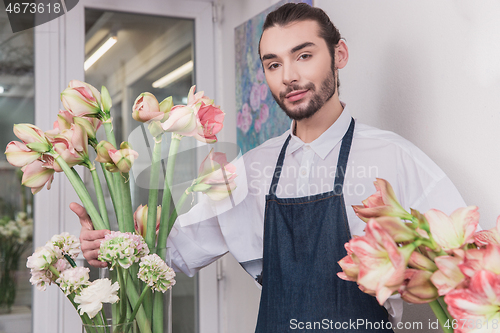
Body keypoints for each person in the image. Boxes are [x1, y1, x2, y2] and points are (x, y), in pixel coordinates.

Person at [75, 3, 466, 332]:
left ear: (339, 55)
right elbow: (173, 251)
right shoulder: (249, 168)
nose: (289, 76)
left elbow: (465, 264)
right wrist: (108, 244)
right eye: (273, 64)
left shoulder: (395, 157)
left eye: (304, 55)